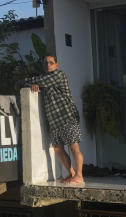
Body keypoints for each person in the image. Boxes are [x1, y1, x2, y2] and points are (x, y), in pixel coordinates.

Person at [20, 55, 84, 185]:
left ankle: (79, 175)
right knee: (57, 149)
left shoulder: (59, 75)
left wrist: (25, 82)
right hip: (54, 122)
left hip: (67, 117)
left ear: (56, 65)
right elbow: (40, 82)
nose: (48, 65)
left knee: (74, 147)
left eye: (51, 62)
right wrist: (35, 85)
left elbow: (42, 81)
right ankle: (71, 173)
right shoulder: (43, 81)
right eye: (45, 63)